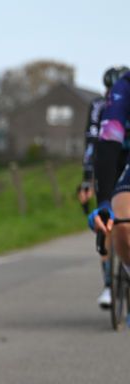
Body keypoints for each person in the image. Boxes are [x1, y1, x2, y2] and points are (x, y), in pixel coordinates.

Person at [80, 66, 128, 308]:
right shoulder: (106, 102)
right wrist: (92, 187)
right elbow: (96, 145)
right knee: (112, 223)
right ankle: (109, 284)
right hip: (115, 158)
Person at [90, 68, 130, 285]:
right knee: (122, 220)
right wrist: (103, 201)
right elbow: (107, 145)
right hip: (124, 157)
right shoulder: (124, 88)